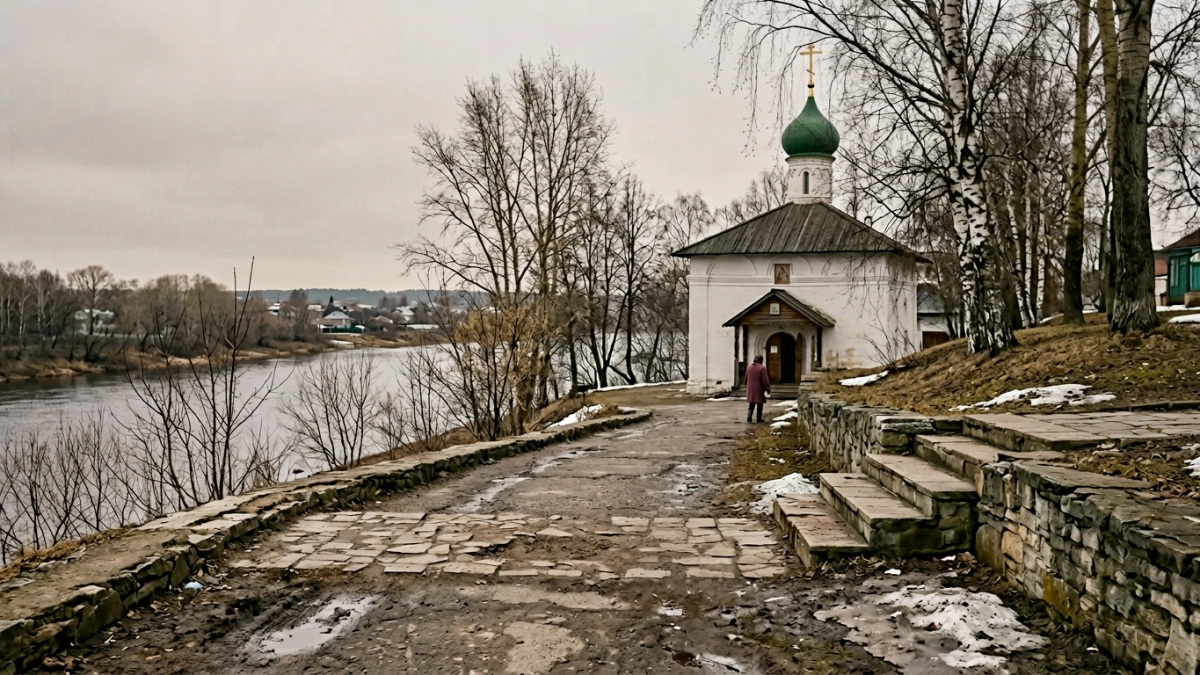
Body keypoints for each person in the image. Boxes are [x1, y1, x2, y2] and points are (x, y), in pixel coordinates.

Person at [745, 355, 771, 423]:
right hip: (759, 388)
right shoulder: (762, 368)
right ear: (761, 360)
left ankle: (749, 417)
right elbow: (765, 380)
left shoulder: (749, 367)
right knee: (760, 404)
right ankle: (758, 418)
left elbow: (746, 378)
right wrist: (768, 388)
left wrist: (747, 385)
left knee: (751, 404)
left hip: (750, 388)